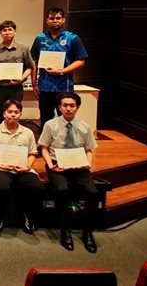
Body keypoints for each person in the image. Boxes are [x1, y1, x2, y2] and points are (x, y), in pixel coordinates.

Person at [38, 92, 98, 253]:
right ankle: (65, 230)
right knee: (62, 190)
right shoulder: (50, 124)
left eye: (72, 105)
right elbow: (44, 147)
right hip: (57, 165)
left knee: (92, 192)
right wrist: (50, 165)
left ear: (77, 107)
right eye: (65, 105)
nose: (68, 108)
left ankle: (87, 232)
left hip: (79, 166)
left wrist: (88, 165)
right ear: (59, 107)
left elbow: (89, 149)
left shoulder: (85, 126)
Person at [0, 100, 44, 234]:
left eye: (16, 112)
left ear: (20, 114)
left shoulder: (28, 133)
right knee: (2, 187)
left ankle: (28, 214)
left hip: (24, 169)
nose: (13, 115)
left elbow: (32, 153)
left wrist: (27, 167)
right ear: (4, 113)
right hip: (1, 168)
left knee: (38, 187)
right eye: (10, 112)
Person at [30, 7, 88, 128]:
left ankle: (66, 140)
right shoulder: (40, 38)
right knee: (45, 120)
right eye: (52, 18)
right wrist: (34, 84)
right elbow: (33, 62)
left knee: (66, 119)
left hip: (64, 87)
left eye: (58, 18)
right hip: (44, 87)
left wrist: (62, 71)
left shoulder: (72, 38)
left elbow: (81, 61)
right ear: (47, 20)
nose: (55, 21)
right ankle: (46, 141)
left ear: (63, 20)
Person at [0, 20, 34, 125]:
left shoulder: (23, 48)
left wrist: (22, 78)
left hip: (16, 88)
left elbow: (30, 67)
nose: (7, 32)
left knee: (14, 113)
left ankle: (13, 132)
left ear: (15, 32)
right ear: (0, 33)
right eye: (4, 30)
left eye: (10, 30)